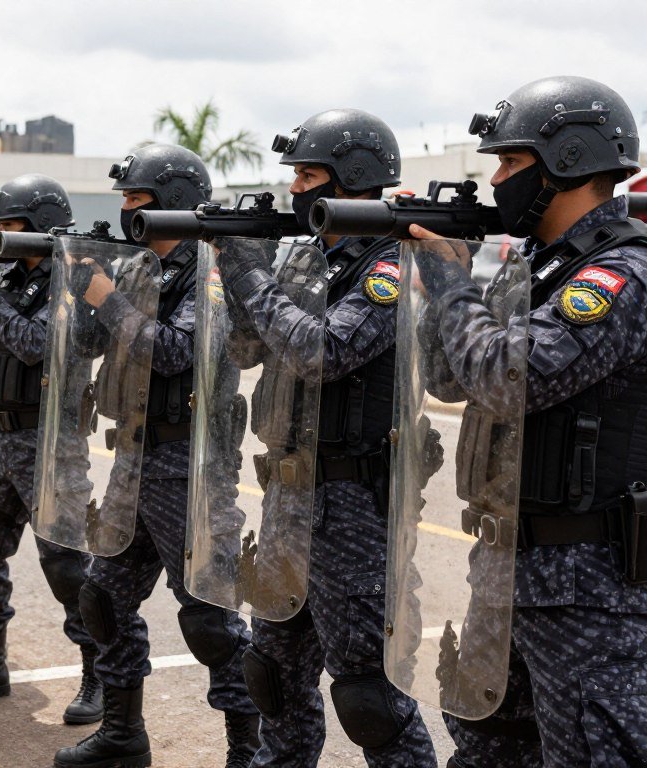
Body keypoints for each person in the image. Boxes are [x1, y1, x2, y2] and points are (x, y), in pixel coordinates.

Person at [413, 75, 647, 768]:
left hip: (588, 589)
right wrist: (443, 289)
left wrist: (456, 287)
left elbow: (511, 377)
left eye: (510, 163)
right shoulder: (538, 270)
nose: (497, 179)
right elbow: (449, 376)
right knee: (487, 749)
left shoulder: (617, 278)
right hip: (510, 569)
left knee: (590, 751)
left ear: (567, 161)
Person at [218, 111, 437, 767]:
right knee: (274, 678)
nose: (295, 190)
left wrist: (254, 279)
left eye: (308, 176)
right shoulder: (307, 260)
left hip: (352, 511)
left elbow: (323, 351)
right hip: (286, 496)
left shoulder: (389, 266)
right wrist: (243, 269)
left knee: (371, 697)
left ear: (353, 180)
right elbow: (249, 347)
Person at [53, 145, 260, 768]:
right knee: (103, 598)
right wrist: (76, 292)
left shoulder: (211, 274)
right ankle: (123, 733)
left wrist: (104, 297)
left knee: (209, 616)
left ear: (172, 205)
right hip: (133, 459)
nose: (125, 210)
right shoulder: (142, 270)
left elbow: (173, 351)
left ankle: (247, 750)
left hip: (190, 467)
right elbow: (91, 344)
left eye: (136, 200)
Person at [0, 174, 100, 725]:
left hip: (50, 442)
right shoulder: (6, 278)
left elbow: (35, 346)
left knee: (66, 567)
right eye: (0, 226)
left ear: (40, 228)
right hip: (0, 440)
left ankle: (99, 674)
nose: (3, 236)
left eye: (12, 226)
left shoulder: (73, 279)